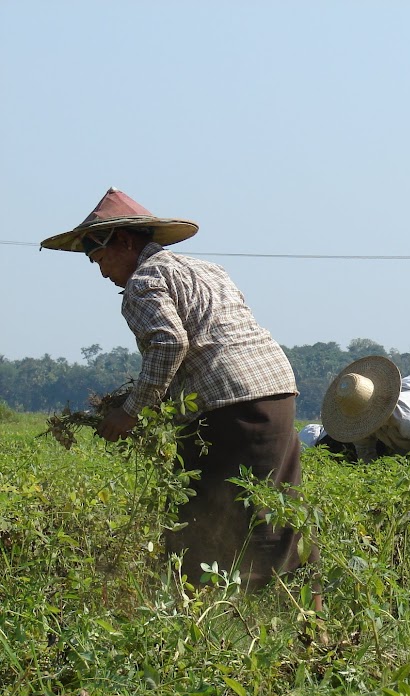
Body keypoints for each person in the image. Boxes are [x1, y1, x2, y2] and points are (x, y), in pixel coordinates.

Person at [41, 187, 317, 592]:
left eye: (101, 259)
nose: (102, 273)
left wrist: (131, 411)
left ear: (124, 241)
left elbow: (170, 343)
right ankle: (305, 615)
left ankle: (206, 609)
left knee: (203, 510)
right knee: (277, 504)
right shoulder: (207, 270)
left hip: (230, 404)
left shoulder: (143, 281)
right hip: (276, 391)